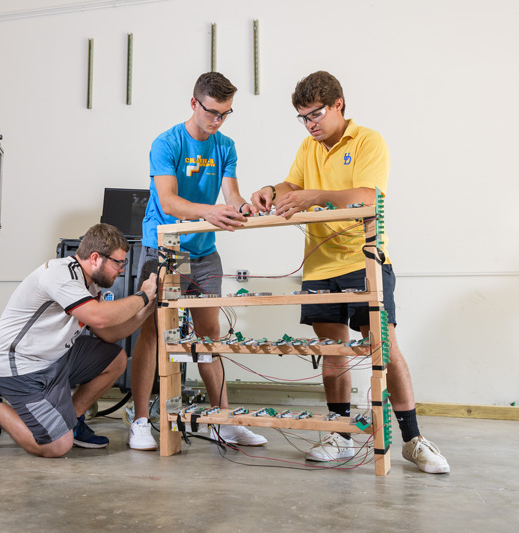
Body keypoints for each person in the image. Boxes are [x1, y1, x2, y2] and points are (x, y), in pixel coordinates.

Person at [248, 71, 449, 474]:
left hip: (363, 260)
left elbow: (368, 196)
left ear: (339, 104)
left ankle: (412, 439)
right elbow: (292, 183)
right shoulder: (308, 147)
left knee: (383, 347)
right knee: (333, 352)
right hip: (321, 266)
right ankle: (341, 434)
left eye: (316, 114)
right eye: (303, 117)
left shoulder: (368, 141)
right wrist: (272, 190)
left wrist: (317, 195)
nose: (310, 124)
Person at [127, 72, 267, 451]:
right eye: (212, 112)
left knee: (210, 336)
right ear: (194, 104)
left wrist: (244, 207)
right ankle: (140, 419)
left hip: (204, 253)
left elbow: (232, 193)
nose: (217, 120)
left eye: (225, 113)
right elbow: (169, 202)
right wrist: (212, 212)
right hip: (166, 248)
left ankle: (221, 420)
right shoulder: (166, 143)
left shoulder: (226, 146)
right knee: (155, 333)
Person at [0, 223, 158, 457]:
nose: (121, 269)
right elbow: (98, 318)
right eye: (118, 263)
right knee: (57, 446)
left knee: (116, 359)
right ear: (96, 258)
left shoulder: (89, 284)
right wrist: (142, 296)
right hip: (20, 368)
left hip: (53, 359)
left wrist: (147, 310)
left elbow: (109, 333)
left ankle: (73, 420)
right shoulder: (61, 274)